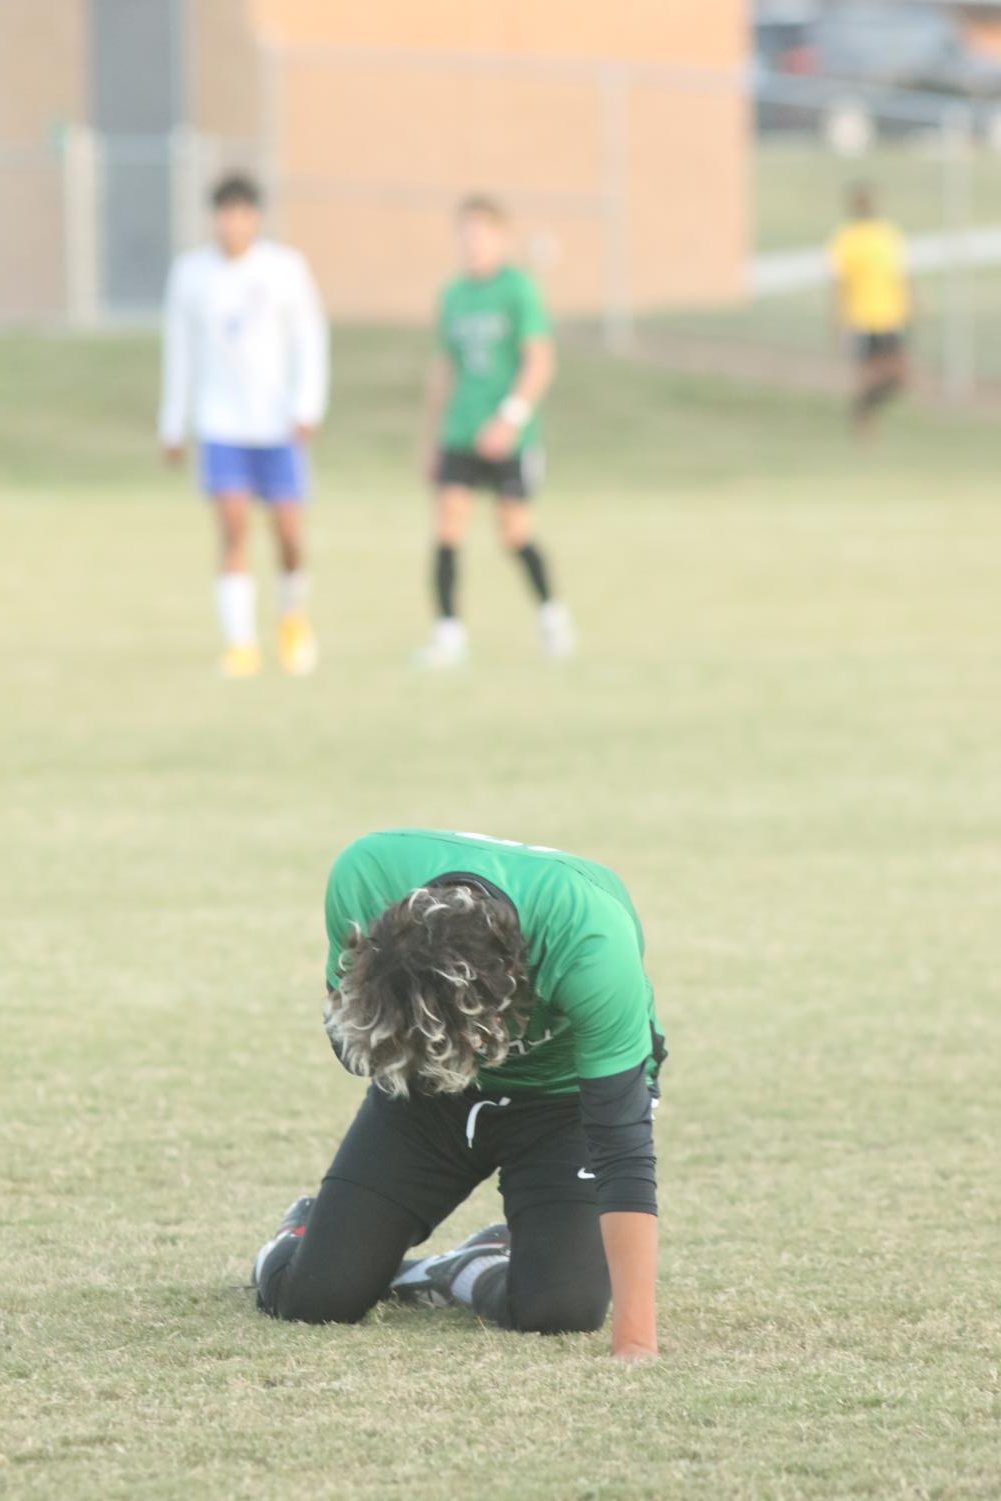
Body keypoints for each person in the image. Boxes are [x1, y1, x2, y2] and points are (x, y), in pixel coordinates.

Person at [252, 829, 666, 1362]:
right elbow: (351, 1042)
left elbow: (622, 1145)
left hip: (561, 1102)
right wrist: (417, 1046)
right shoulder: (365, 876)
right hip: (425, 1087)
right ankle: (305, 1229)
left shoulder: (590, 939)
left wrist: (635, 1344)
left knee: (560, 1311)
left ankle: (468, 1267)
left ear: (514, 985)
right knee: (315, 1299)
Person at [159, 174, 329, 677]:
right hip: (220, 423)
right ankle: (241, 644)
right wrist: (172, 423)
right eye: (222, 213)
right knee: (232, 528)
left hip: (276, 425)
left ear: (255, 218)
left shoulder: (284, 269)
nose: (231, 223)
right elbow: (179, 352)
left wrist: (308, 406)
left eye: (241, 212)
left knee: (288, 534)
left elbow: (310, 338)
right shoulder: (191, 274)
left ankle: (291, 617)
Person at [418, 196, 575, 667]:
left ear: (500, 238)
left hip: (510, 437)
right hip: (460, 432)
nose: (472, 243)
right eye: (464, 234)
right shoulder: (453, 295)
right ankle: (448, 633)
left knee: (513, 533)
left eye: (481, 234)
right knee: (447, 525)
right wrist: (431, 436)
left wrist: (510, 418)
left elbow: (540, 362)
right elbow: (444, 368)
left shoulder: (518, 290)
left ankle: (551, 616)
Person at [829, 184, 912, 438]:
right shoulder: (847, 238)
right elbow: (839, 283)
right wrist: (837, 319)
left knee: (897, 377)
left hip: (889, 315)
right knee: (867, 375)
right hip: (860, 318)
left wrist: (911, 305)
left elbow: (901, 274)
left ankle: (862, 409)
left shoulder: (888, 234)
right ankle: (866, 433)